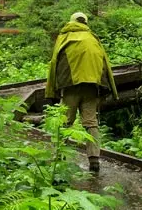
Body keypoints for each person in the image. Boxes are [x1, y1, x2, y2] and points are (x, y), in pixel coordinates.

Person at [46, 12, 118, 173]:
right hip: (92, 86)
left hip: (70, 85)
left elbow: (54, 63)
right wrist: (105, 89)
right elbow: (104, 64)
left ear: (71, 21)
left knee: (65, 121)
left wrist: (53, 90)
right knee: (91, 122)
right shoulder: (93, 39)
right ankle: (94, 159)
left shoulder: (64, 37)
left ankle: (59, 157)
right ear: (85, 22)